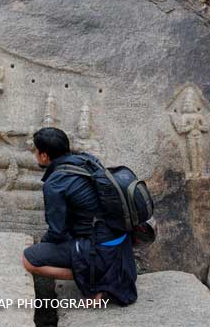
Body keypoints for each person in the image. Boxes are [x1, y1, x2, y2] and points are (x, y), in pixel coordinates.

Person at [22, 127, 137, 305]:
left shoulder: (54, 184)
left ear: (44, 155)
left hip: (98, 248)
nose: (35, 154)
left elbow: (56, 232)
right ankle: (101, 272)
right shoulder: (88, 160)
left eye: (36, 150)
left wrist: (44, 244)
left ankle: (98, 280)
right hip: (120, 242)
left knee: (30, 259)